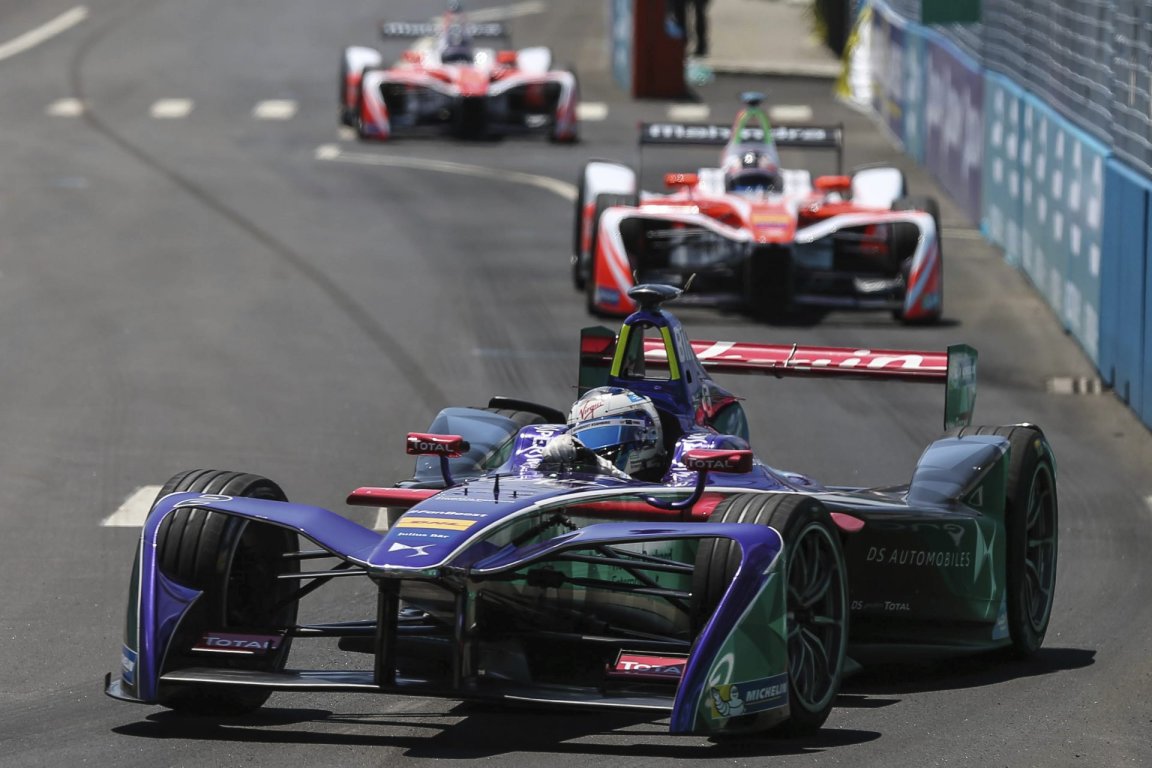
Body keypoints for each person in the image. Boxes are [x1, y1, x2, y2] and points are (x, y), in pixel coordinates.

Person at [540, 387, 666, 480]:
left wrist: (598, 466)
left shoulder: (668, 487)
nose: (593, 452)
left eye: (608, 435)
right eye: (586, 438)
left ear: (646, 435)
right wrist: (551, 463)